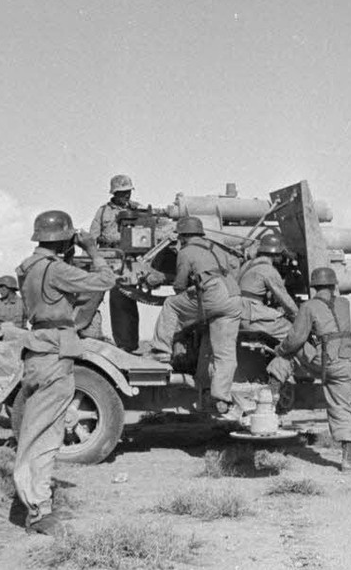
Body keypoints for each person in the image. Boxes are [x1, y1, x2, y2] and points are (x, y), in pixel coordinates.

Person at [14, 210, 116, 536]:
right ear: (64, 237)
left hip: (39, 352)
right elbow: (106, 280)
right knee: (41, 438)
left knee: (42, 432)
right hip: (54, 355)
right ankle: (37, 511)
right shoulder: (55, 270)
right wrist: (92, 250)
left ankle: (37, 504)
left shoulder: (29, 268)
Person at [269, 266, 351, 472]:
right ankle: (347, 459)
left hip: (326, 362)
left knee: (290, 351)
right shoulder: (345, 303)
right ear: (334, 284)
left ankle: (273, 391)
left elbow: (296, 338)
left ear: (314, 286)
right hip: (347, 361)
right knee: (342, 408)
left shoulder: (309, 306)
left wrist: (280, 349)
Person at [149, 217, 242, 414]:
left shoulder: (185, 251)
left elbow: (179, 286)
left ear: (182, 236)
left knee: (171, 305)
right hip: (233, 296)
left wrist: (160, 278)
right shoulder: (216, 247)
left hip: (212, 294)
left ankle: (161, 352)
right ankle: (221, 397)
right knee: (224, 353)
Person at [90, 174, 141, 351]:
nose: (126, 195)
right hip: (105, 256)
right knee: (92, 297)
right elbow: (92, 236)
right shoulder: (103, 211)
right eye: (122, 192)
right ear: (114, 193)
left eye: (128, 192)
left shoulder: (137, 209)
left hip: (126, 259)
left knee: (124, 300)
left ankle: (127, 346)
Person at [237, 232, 297, 342]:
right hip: (252, 315)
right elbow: (285, 300)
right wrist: (298, 316)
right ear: (276, 254)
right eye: (281, 255)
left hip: (237, 314)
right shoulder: (268, 270)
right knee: (293, 333)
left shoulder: (247, 265)